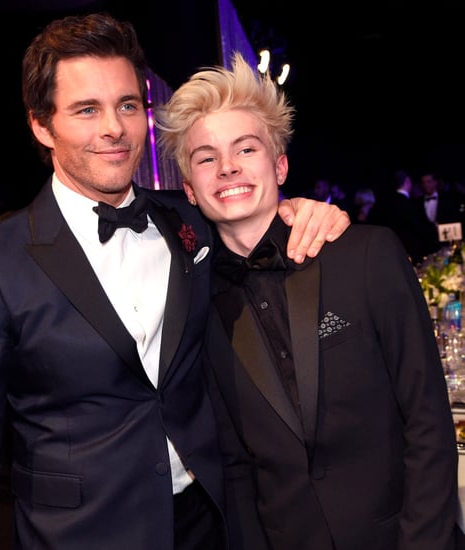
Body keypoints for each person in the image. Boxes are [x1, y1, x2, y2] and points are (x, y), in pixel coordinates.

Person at [0, 13, 350, 550]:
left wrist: (305, 211)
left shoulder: (189, 221)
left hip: (211, 520)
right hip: (81, 533)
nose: (115, 128)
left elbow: (256, 216)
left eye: (127, 105)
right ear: (41, 124)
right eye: (87, 110)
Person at [155, 52, 459, 550]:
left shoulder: (366, 256)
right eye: (206, 157)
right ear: (190, 188)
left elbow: (428, 422)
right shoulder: (198, 303)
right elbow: (235, 467)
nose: (227, 167)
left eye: (246, 149)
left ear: (280, 165)